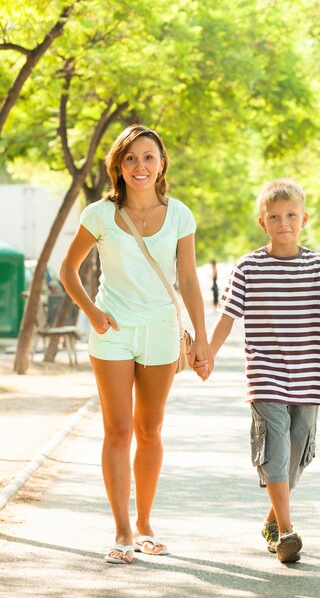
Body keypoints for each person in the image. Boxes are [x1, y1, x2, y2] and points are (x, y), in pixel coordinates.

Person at [60, 124, 213, 564]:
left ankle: (146, 524)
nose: (140, 166)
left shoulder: (180, 214)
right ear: (118, 167)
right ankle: (122, 531)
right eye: (131, 159)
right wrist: (93, 313)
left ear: (161, 164)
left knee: (149, 431)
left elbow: (187, 278)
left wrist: (202, 338)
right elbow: (68, 270)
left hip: (162, 333)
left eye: (148, 157)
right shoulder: (100, 215)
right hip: (113, 332)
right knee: (118, 430)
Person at [208, 179, 320, 564]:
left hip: (308, 376)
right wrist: (207, 351)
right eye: (274, 217)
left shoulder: (318, 265)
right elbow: (227, 316)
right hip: (265, 374)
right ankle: (288, 531)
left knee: (297, 453)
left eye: (291, 215)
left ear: (304, 219)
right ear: (263, 223)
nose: (283, 223)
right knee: (275, 448)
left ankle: (272, 520)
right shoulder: (248, 266)